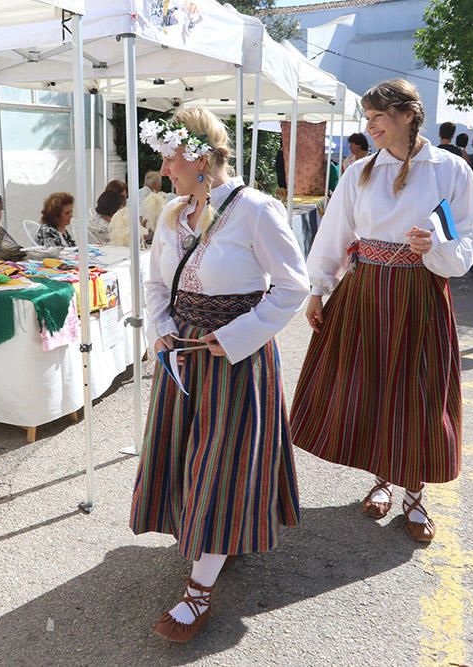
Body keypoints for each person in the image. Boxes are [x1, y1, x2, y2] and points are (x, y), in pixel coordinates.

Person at [132, 108, 309, 642]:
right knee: (187, 455)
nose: (164, 170)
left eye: (170, 157)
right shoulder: (171, 214)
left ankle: (199, 590)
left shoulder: (256, 210)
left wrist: (233, 338)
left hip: (234, 360)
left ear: (201, 160)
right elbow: (157, 282)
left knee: (222, 463)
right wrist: (161, 330)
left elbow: (292, 287)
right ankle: (211, 540)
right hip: (182, 354)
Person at [289, 79, 473, 545]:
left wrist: (435, 247)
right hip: (366, 290)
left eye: (377, 116)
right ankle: (381, 479)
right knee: (372, 386)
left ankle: (415, 494)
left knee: (419, 392)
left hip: (420, 291)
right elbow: (334, 233)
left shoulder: (451, 170)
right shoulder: (359, 172)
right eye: (367, 117)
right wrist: (318, 290)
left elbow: (467, 243)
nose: (369, 125)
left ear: (406, 115)